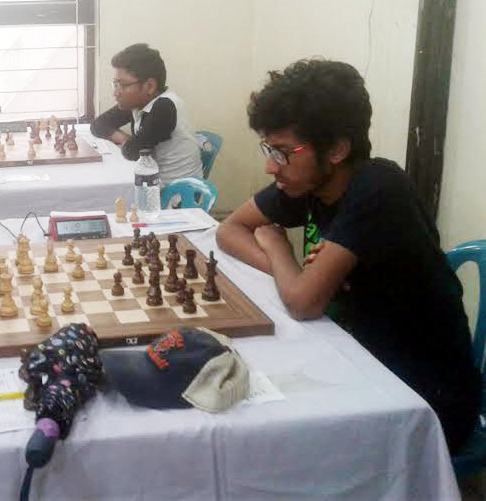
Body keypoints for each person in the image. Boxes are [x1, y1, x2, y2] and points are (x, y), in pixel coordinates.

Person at [216, 58, 480, 454]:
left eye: (285, 152)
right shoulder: (305, 184)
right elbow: (228, 229)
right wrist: (294, 273)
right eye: (269, 149)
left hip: (424, 395)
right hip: (357, 355)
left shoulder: (378, 188)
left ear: (337, 150)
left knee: (263, 439)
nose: (272, 166)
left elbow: (304, 302)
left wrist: (279, 248)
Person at [90, 43, 203, 184]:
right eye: (115, 84)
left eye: (123, 85)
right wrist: (124, 138)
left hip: (177, 195)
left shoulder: (165, 107)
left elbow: (133, 152)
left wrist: (129, 143)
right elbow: (98, 125)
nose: (116, 92)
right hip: (154, 183)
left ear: (149, 86)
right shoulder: (139, 102)